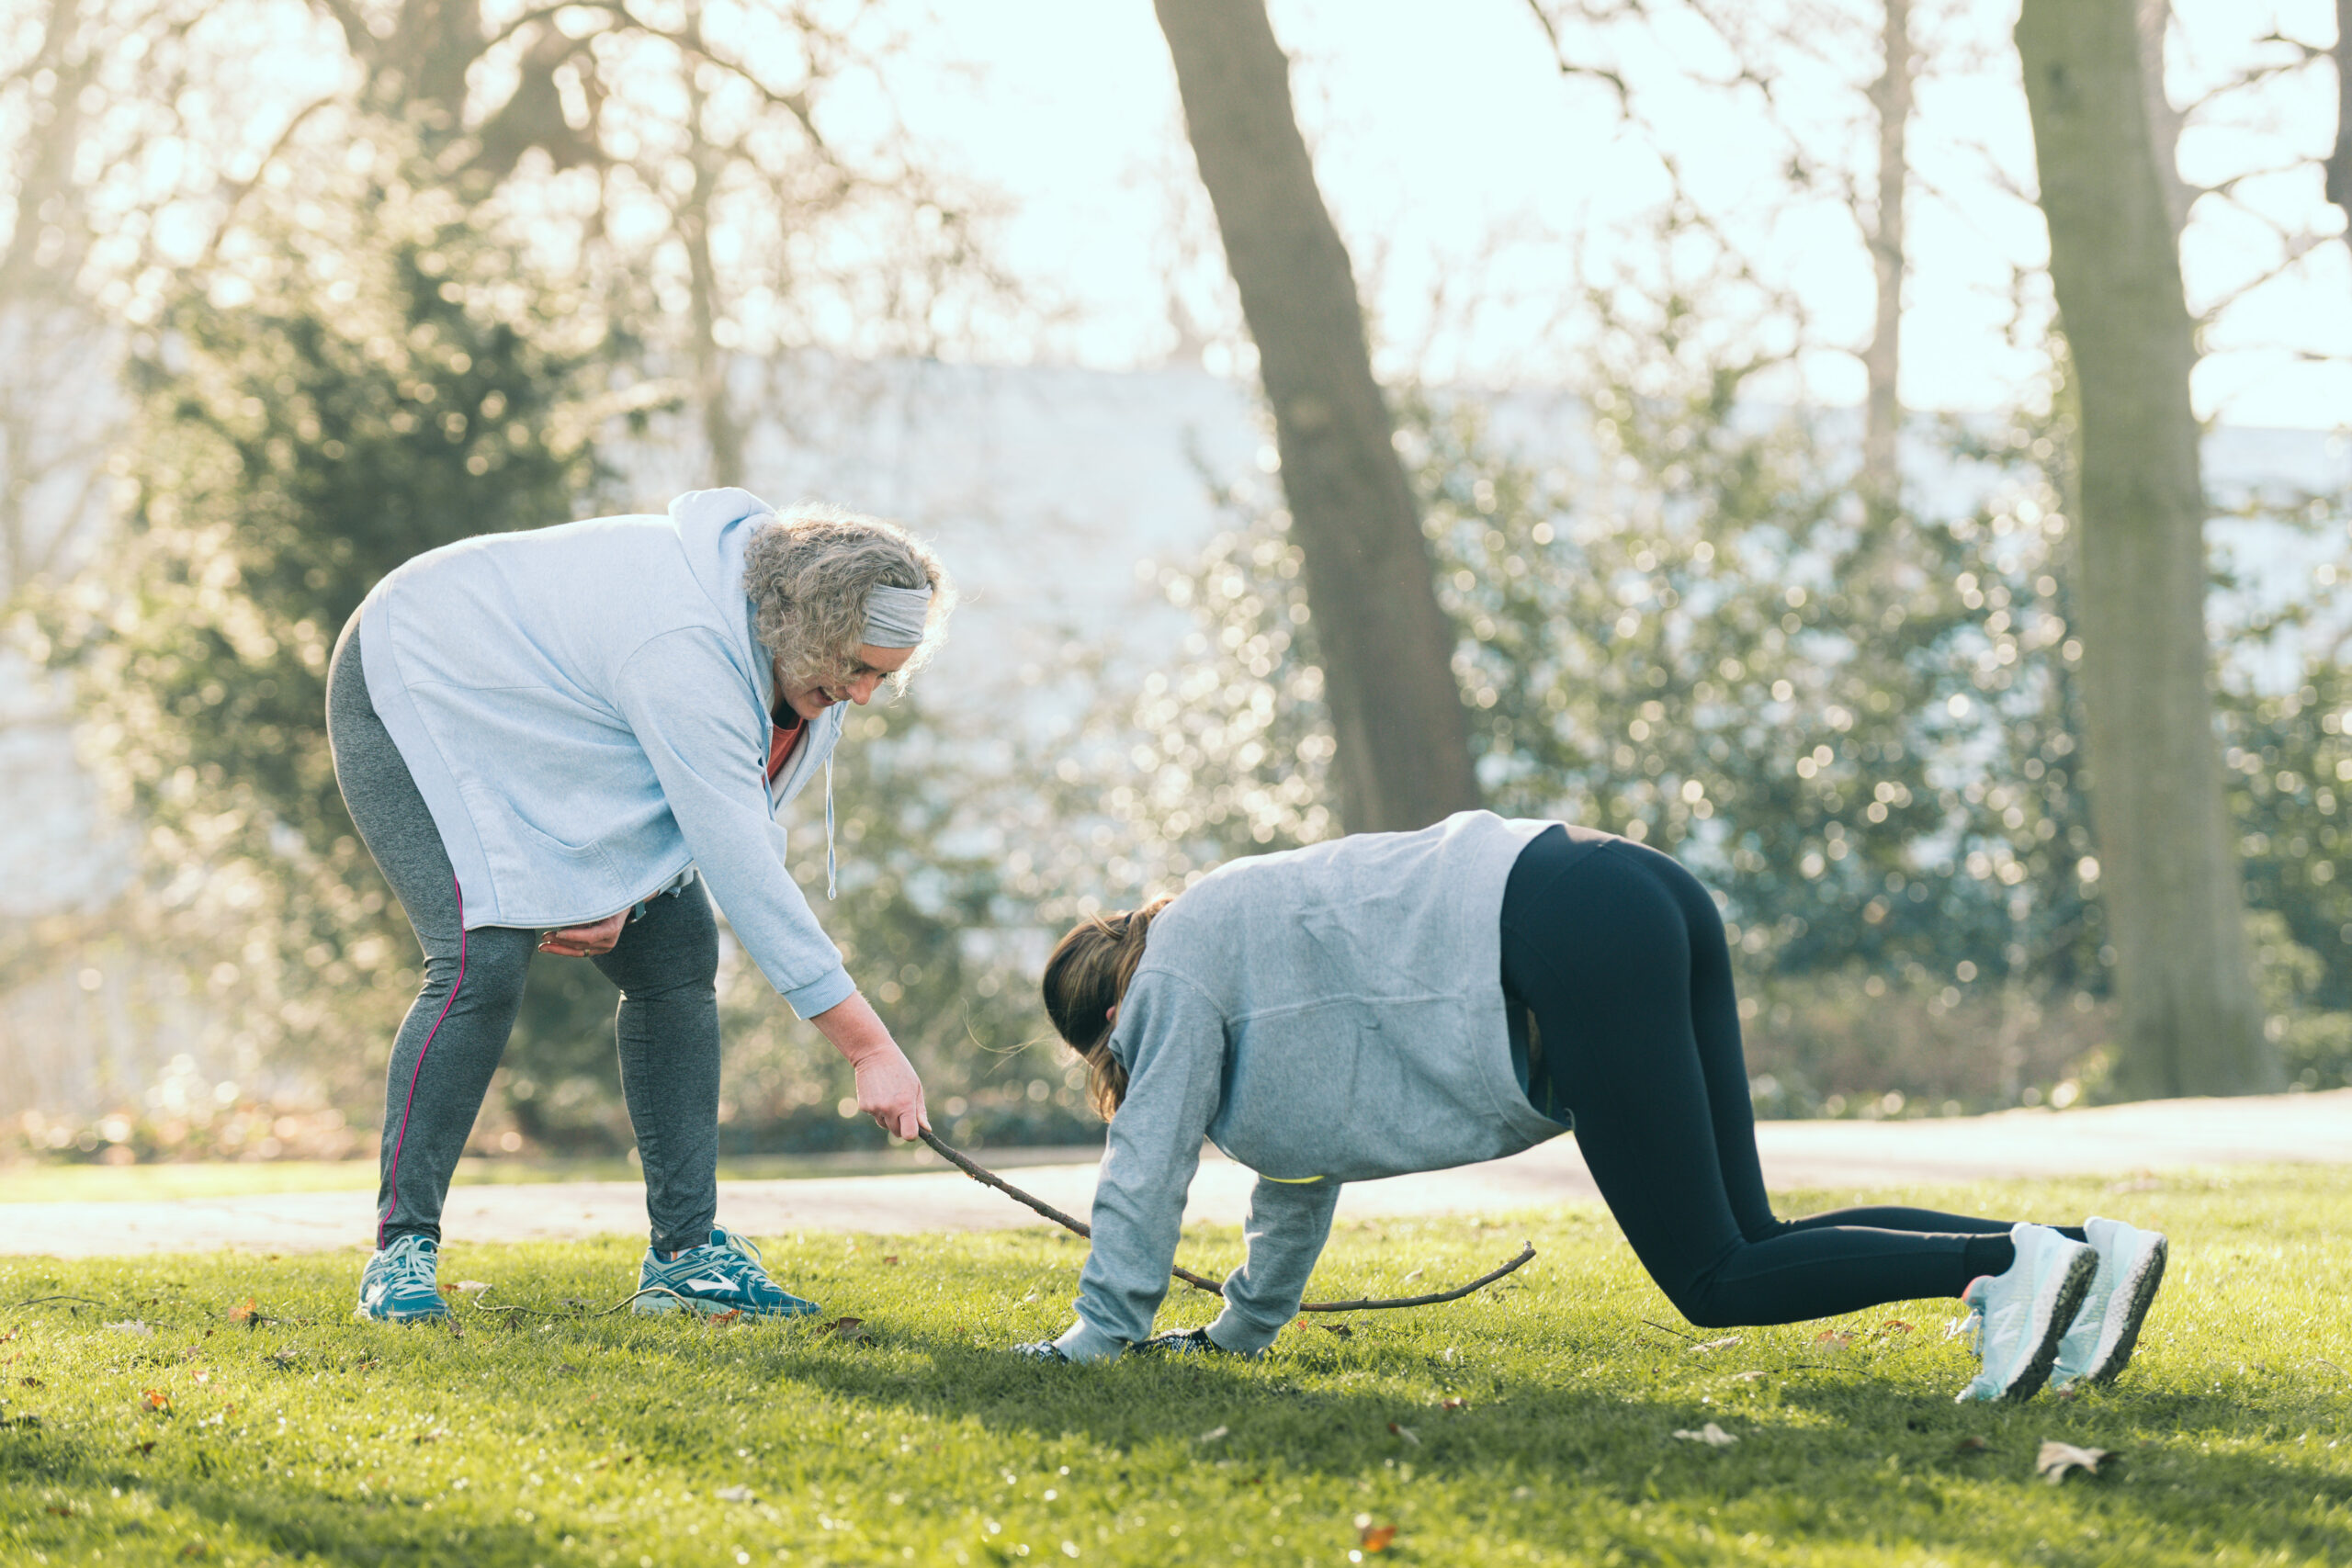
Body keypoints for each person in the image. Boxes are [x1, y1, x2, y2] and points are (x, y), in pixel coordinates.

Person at [1018, 813, 2167, 1403]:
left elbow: (1147, 1161)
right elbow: (1298, 1177)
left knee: (1711, 1280)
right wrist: (1242, 1333)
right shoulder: (1245, 937)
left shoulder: (1168, 980)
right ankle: (2078, 1257)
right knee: (1749, 1239)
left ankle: (2003, 1267)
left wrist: (1100, 1335)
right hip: (1629, 883)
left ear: (1110, 1019)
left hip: (1562, 930)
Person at [328, 488, 951, 1325]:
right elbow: (746, 868)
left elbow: (719, 804)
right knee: (483, 952)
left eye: (884, 675)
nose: (865, 695)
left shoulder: (801, 660)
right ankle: (399, 1256)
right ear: (805, 628)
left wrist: (629, 877)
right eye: (858, 669)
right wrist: (868, 1048)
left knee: (675, 952)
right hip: (417, 673)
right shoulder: (687, 643)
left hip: (553, 721)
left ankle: (686, 1256)